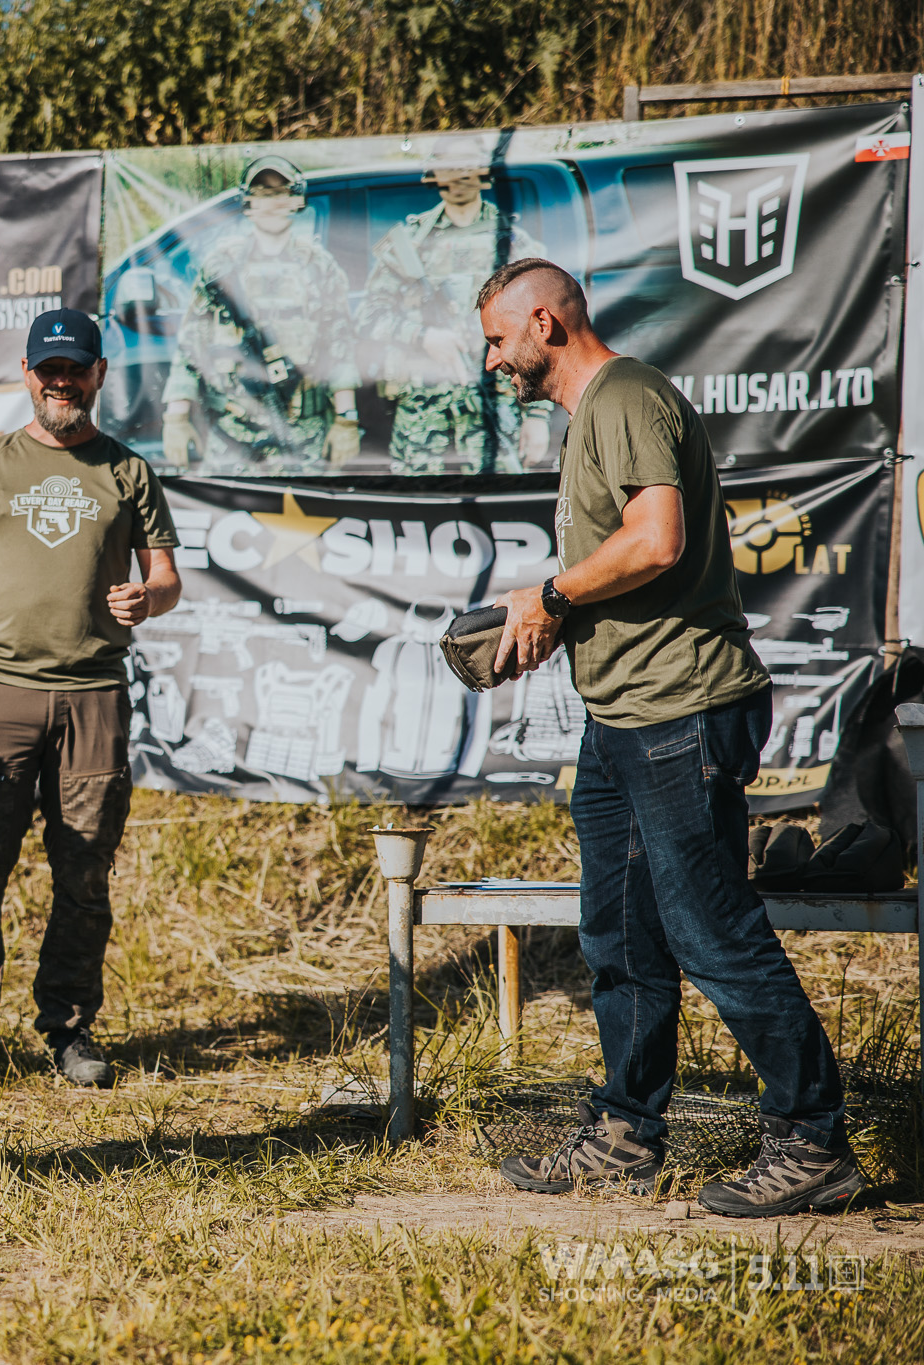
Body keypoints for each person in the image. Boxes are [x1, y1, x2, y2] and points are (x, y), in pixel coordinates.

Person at [477, 259, 858, 1218]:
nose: (492, 361)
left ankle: (813, 1138)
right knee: (620, 931)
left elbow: (658, 539)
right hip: (622, 717)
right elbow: (633, 564)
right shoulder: (593, 416)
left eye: (497, 339)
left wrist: (551, 592)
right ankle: (624, 1135)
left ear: (545, 323)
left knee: (707, 927)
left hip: (680, 712)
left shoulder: (626, 396)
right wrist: (556, 618)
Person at [0, 309, 181, 1097]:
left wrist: (149, 597)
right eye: (49, 369)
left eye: (76, 369)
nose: (62, 382)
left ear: (99, 375)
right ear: (28, 374)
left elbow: (166, 577)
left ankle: (69, 1028)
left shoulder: (128, 470)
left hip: (93, 695)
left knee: (84, 875)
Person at [357, 144, 551, 475]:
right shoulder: (411, 241)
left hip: (495, 407)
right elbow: (369, 316)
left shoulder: (512, 241)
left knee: (499, 500)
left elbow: (542, 330)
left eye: (467, 167)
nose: (458, 177)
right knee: (421, 502)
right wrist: (423, 336)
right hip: (423, 414)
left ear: (483, 173)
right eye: (449, 168)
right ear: (434, 175)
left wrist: (537, 416)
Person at [160, 157, 360, 474]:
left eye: (280, 193)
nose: (271, 203)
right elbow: (191, 345)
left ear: (296, 201)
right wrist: (176, 418)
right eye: (262, 194)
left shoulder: (319, 267)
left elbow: (341, 347)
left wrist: (346, 420)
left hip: (304, 433)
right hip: (233, 435)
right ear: (248, 203)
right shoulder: (219, 267)